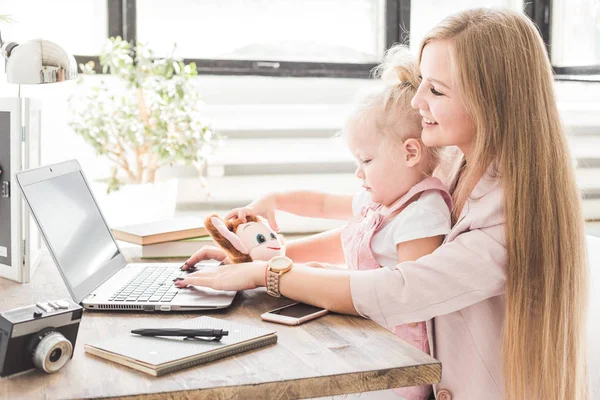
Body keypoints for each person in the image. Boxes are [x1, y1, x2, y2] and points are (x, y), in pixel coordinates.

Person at [176, 8, 589, 400]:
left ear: (492, 101)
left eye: (437, 89)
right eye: (422, 81)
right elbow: (374, 235)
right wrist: (260, 259)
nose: (416, 101)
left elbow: (401, 289)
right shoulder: (453, 169)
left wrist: (267, 274)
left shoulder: (510, 214)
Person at [183, 46, 451, 400]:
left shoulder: (423, 210)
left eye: (366, 160)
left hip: (396, 367)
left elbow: (404, 293)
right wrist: (274, 200)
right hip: (367, 341)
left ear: (410, 153)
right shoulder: (382, 202)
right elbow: (322, 203)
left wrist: (295, 274)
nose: (359, 172)